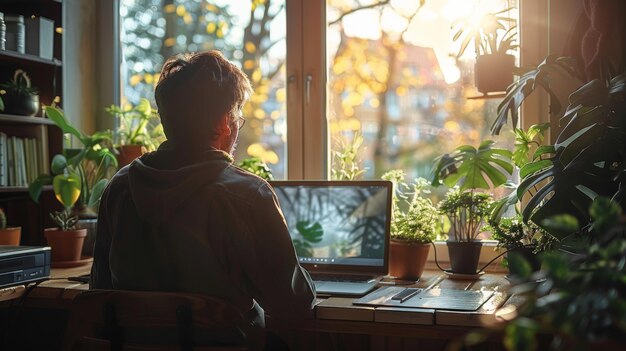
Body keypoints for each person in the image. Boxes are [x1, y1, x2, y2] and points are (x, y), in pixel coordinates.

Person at [91, 50, 316, 349]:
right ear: (225, 121)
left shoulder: (119, 189)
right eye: (238, 116)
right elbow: (294, 306)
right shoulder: (247, 196)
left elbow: (99, 293)